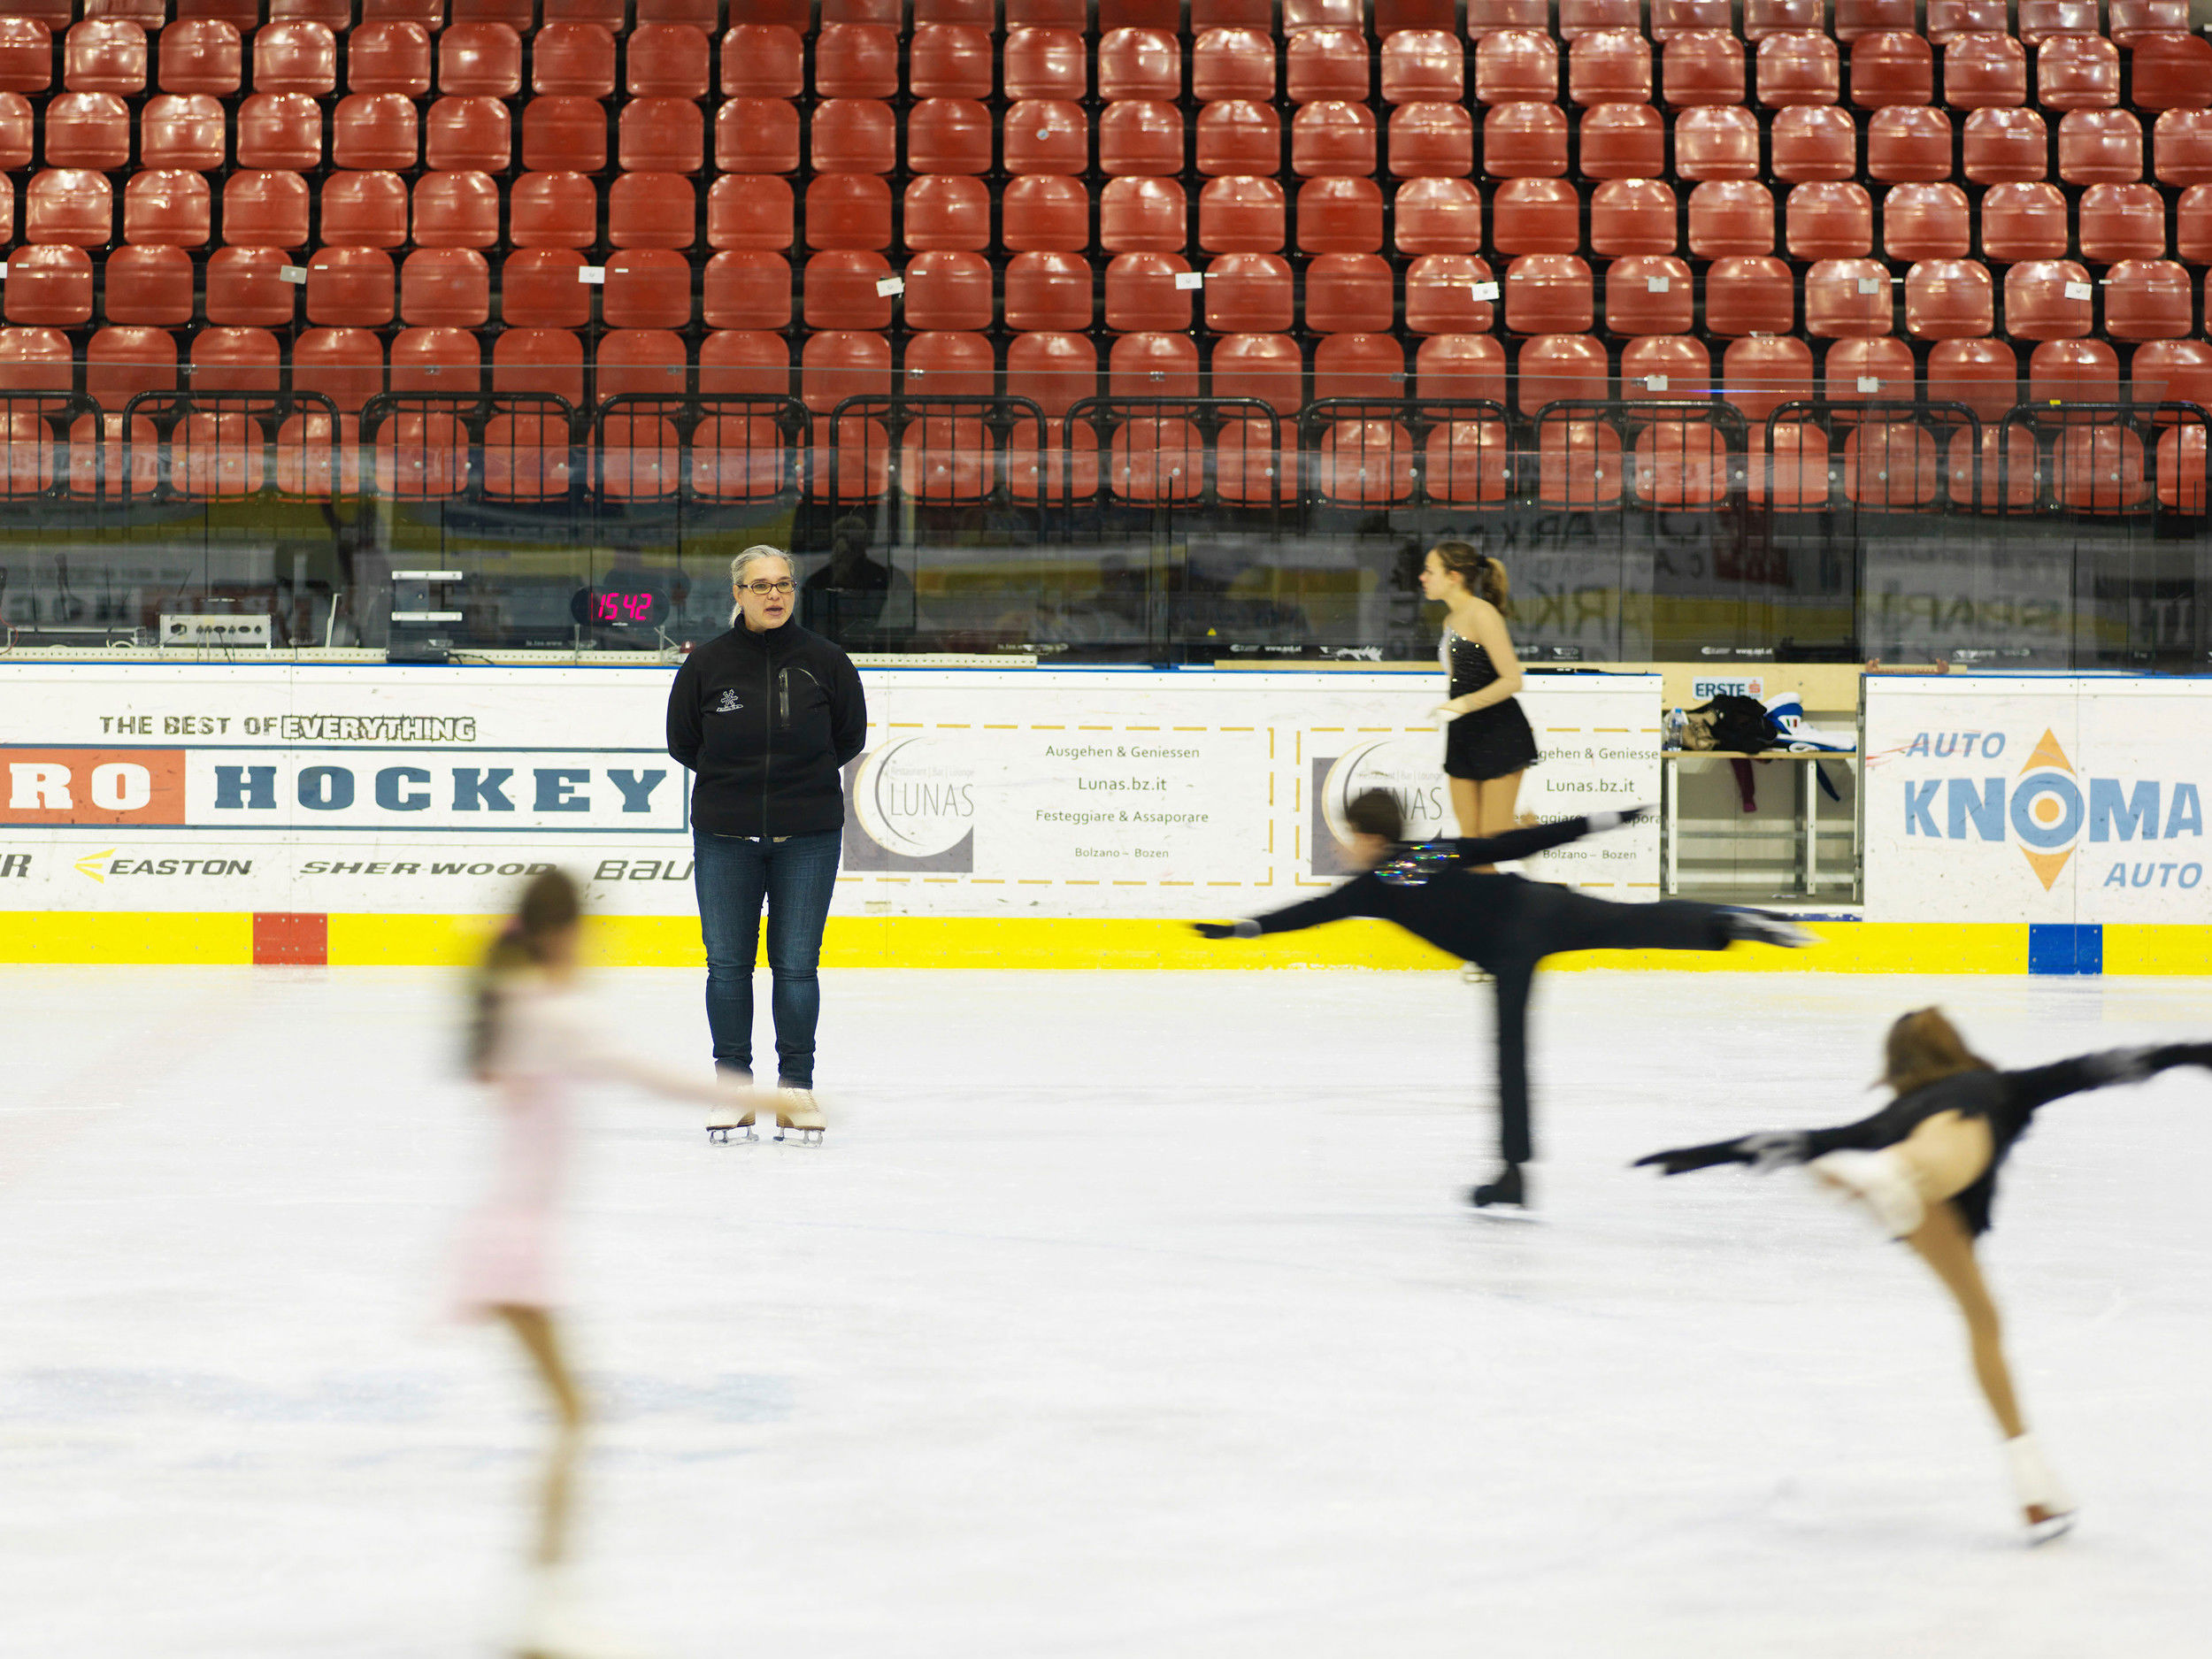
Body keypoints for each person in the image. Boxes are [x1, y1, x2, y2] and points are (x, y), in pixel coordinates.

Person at [1635, 1009, 2212, 1543]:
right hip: (1933, 1164)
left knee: (1979, 1307)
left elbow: (1787, 1143)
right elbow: (2109, 1064)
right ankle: (1894, 1173)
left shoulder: (1886, 1114)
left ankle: (2034, 1484)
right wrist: (2195, 1052)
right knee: (1946, 1176)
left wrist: (1696, 1153)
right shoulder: (2000, 1086)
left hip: (1919, 1196)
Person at [1194, 791, 1815, 1212]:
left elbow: (1309, 914)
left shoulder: (1376, 883)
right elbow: (1508, 845)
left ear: (1368, 835)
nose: (1345, 846)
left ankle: (1513, 1175)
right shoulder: (1421, 857)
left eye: (1350, 835)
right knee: (1635, 922)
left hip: (1511, 945)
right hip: (1541, 907)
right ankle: (1725, 923)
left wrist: (1244, 929)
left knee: (1510, 1057)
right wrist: (1605, 819)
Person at [457, 868, 781, 1655]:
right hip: (513, 1250)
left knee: (573, 1418)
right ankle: (542, 1612)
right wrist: (766, 1097)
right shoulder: (552, 1014)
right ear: (563, 934)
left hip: (502, 1243)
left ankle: (543, 1603)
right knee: (575, 1418)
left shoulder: (519, 1006)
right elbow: (645, 1073)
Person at [666, 546, 867, 1131]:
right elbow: (684, 741)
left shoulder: (827, 661)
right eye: (760, 586)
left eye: (783, 584)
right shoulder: (706, 664)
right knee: (728, 965)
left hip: (807, 835)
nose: (774, 595)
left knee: (797, 965)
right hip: (726, 835)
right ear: (738, 594)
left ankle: (795, 1088)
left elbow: (847, 736)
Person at [1420, 541, 1539, 852]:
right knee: (1471, 848)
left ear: (1453, 576)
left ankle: (1526, 835)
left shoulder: (1482, 614)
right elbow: (1463, 677)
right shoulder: (1450, 620)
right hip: (1463, 735)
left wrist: (1462, 704)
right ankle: (1521, 835)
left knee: (1487, 843)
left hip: (1499, 732)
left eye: (1430, 571)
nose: (1423, 577)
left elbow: (1513, 680)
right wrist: (1454, 708)